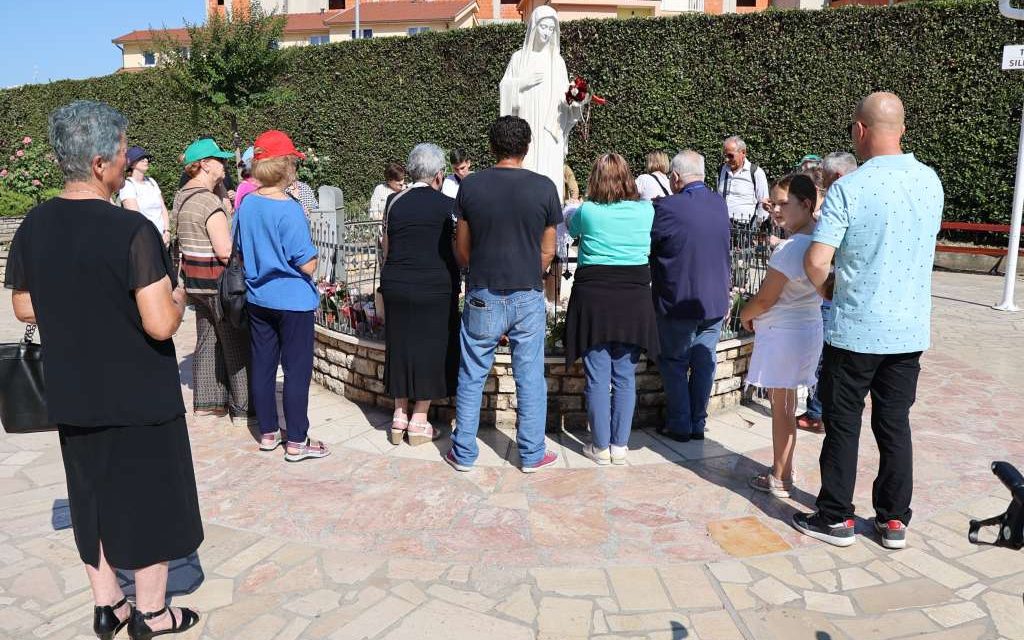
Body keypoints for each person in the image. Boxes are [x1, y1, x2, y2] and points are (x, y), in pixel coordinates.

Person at [5, 100, 201, 639]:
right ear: (98, 163)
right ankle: (153, 613)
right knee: (150, 497)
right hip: (138, 392)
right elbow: (159, 324)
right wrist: (180, 297)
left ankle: (108, 604)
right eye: (121, 152)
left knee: (90, 496)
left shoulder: (35, 225)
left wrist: (76, 304)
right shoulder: (132, 230)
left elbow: (23, 305)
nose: (125, 160)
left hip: (74, 387)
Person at [794, 92, 944, 550]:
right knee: (894, 424)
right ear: (902, 129)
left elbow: (816, 260)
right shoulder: (930, 181)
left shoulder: (850, 188)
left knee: (843, 423)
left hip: (856, 329)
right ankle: (894, 520)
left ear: (860, 130)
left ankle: (835, 516)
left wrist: (828, 289)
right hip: (908, 329)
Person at [448, 115, 562, 473]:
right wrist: (528, 270)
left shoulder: (471, 186)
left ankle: (463, 453)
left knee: (472, 374)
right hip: (527, 292)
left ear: (492, 146)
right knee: (530, 377)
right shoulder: (544, 187)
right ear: (526, 147)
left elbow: (462, 248)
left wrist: (481, 269)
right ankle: (532, 453)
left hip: (483, 291)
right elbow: (548, 249)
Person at [236, 130, 328, 462]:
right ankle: (297, 440)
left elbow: (239, 250)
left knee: (263, 366)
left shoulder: (247, 204)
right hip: (293, 301)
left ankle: (268, 432)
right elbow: (307, 263)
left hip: (258, 297)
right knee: (296, 370)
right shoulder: (289, 209)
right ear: (285, 165)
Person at [564, 153, 658, 465]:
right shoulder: (646, 210)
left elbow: (570, 227)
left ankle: (600, 446)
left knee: (597, 375)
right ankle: (619, 445)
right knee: (625, 375)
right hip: (634, 298)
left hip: (594, 298)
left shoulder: (588, 210)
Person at [740, 174, 823, 498]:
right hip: (806, 328)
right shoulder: (821, 239)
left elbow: (765, 299)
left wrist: (745, 315)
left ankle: (780, 476)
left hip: (785, 333)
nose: (775, 210)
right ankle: (784, 469)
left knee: (782, 409)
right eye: (773, 203)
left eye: (783, 204)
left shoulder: (790, 248)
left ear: (806, 204)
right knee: (787, 405)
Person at [380, 143, 460, 446]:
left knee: (399, 344)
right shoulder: (447, 205)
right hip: (434, 285)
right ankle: (419, 420)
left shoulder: (394, 201)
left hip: (396, 281)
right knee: (432, 347)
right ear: (439, 175)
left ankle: (399, 415)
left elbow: (387, 246)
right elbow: (454, 249)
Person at [651, 150, 732, 442]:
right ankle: (697, 423)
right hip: (714, 300)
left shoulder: (668, 207)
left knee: (674, 362)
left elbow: (653, 245)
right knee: (703, 363)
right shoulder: (719, 203)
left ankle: (680, 424)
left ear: (675, 177)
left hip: (679, 300)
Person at [173, 137, 251, 422]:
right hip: (218, 283)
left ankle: (209, 402)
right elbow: (225, 250)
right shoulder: (207, 201)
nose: (224, 165)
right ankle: (244, 407)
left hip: (195, 282)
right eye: (219, 160)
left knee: (207, 340)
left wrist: (218, 189)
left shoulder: (182, 195)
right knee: (235, 342)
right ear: (204, 164)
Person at [797, 151, 858, 433]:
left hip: (831, 289)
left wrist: (822, 289)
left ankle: (816, 413)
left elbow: (817, 259)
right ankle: (822, 411)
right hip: (851, 295)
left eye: (826, 180)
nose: (824, 186)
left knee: (822, 357)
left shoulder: (838, 203)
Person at [499, 5, 586, 203]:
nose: (546, 33)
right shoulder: (519, 59)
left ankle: (549, 214)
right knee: (527, 167)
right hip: (526, 126)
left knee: (549, 174)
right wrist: (523, 83)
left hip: (551, 129)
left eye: (551, 29)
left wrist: (575, 99)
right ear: (534, 27)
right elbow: (505, 88)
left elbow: (565, 99)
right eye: (543, 27)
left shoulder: (558, 62)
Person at [119, 145, 171, 246]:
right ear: (132, 164)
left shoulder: (152, 182)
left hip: (163, 239)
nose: (146, 160)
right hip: (145, 240)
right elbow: (136, 218)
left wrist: (167, 232)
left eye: (146, 158)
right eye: (141, 158)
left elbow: (163, 208)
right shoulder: (128, 186)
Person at [717, 136, 769, 226]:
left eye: (730, 156)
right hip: (722, 223)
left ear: (743, 153)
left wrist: (757, 226)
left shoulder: (755, 172)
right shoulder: (722, 170)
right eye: (725, 156)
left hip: (744, 227)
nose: (727, 160)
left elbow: (763, 202)